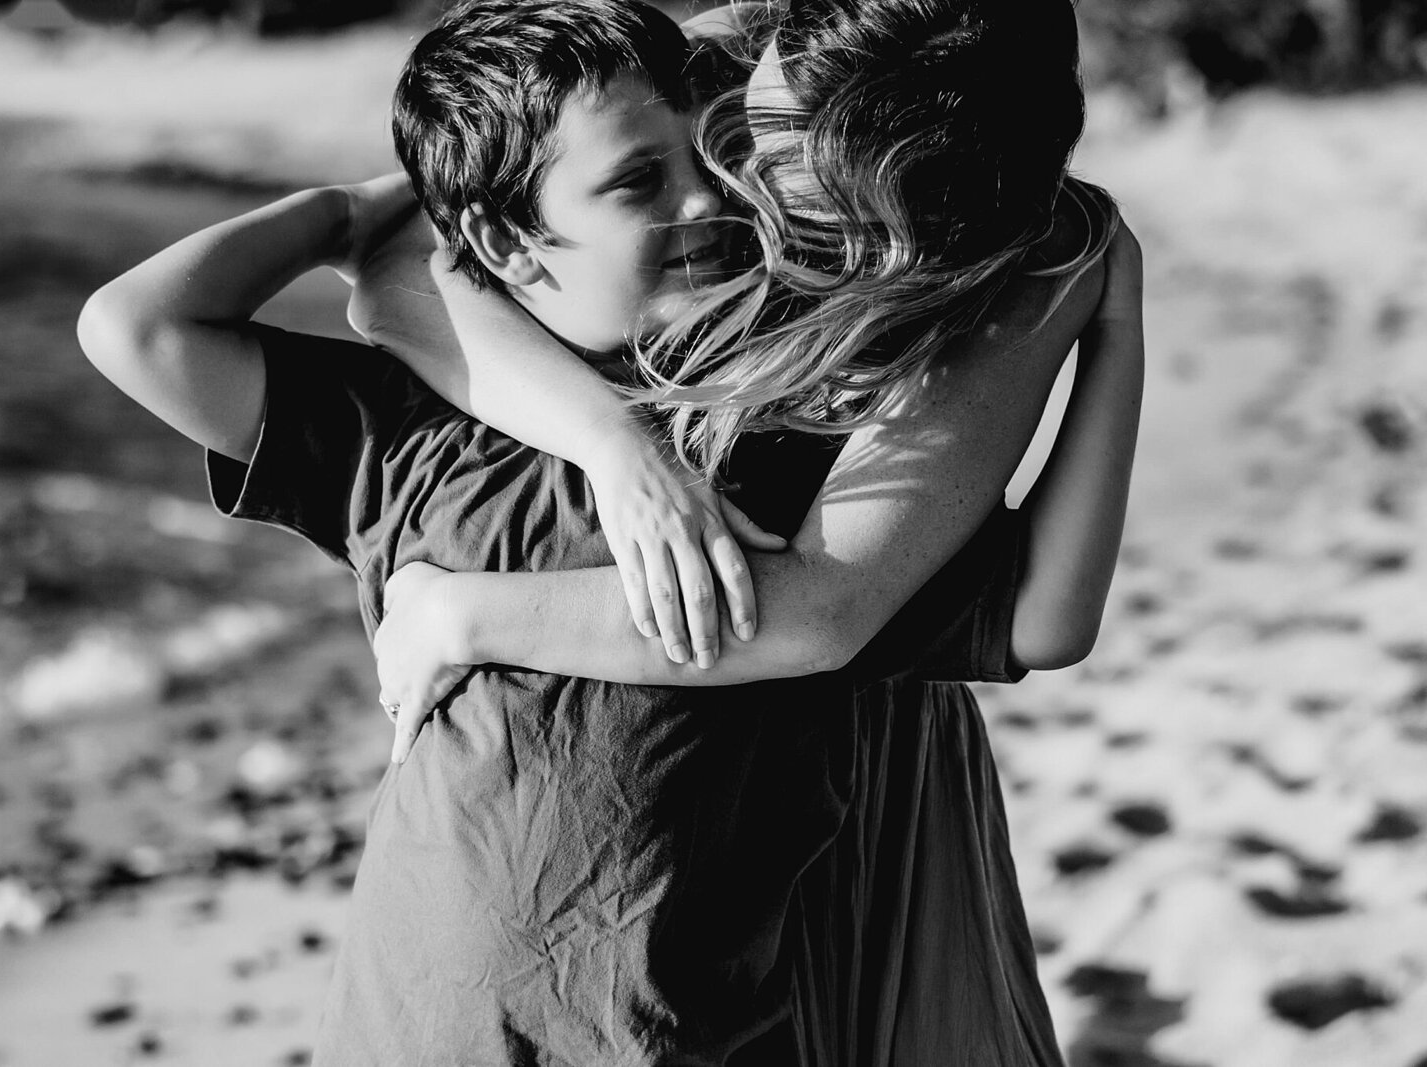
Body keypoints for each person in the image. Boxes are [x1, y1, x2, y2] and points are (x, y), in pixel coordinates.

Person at [77, 0, 1140, 1062]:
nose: (710, 199)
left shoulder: (777, 463)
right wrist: (345, 212)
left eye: (716, 165)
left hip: (687, 1033)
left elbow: (1016, 612)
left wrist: (1112, 331)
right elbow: (139, 328)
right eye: (642, 180)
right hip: (415, 1027)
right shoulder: (416, 435)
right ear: (498, 234)